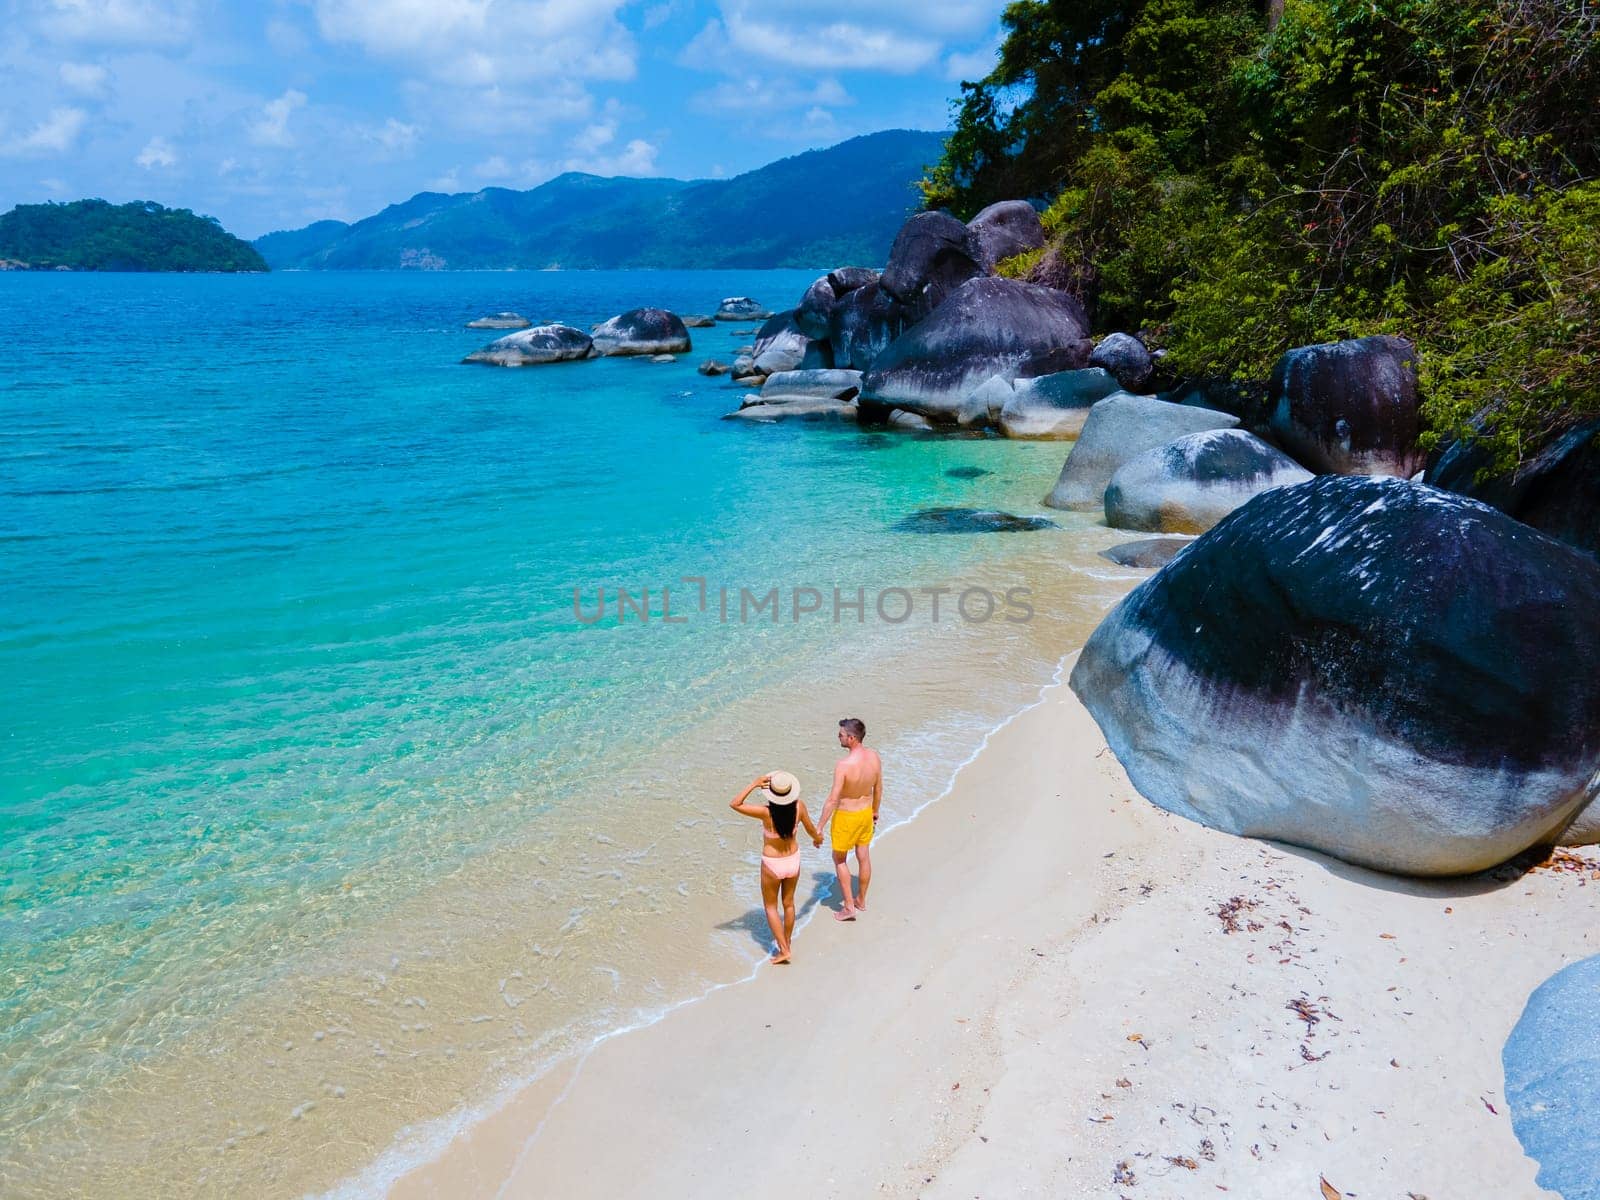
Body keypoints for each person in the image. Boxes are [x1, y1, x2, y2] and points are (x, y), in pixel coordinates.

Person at [728, 770, 821, 964]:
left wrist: (754, 783)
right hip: (793, 860)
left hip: (773, 864)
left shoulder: (766, 813)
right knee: (789, 904)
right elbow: (811, 829)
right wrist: (818, 839)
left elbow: (735, 804)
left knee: (771, 907)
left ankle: (784, 950)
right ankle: (786, 942)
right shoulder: (799, 807)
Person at [818, 717, 881, 921]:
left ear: (852, 738)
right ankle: (861, 900)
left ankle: (848, 906)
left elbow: (833, 799)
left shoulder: (843, 765)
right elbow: (878, 788)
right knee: (863, 855)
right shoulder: (874, 757)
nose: (839, 737)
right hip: (865, 813)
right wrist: (875, 811)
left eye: (841, 735)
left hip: (846, 817)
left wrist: (819, 827)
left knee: (839, 859)